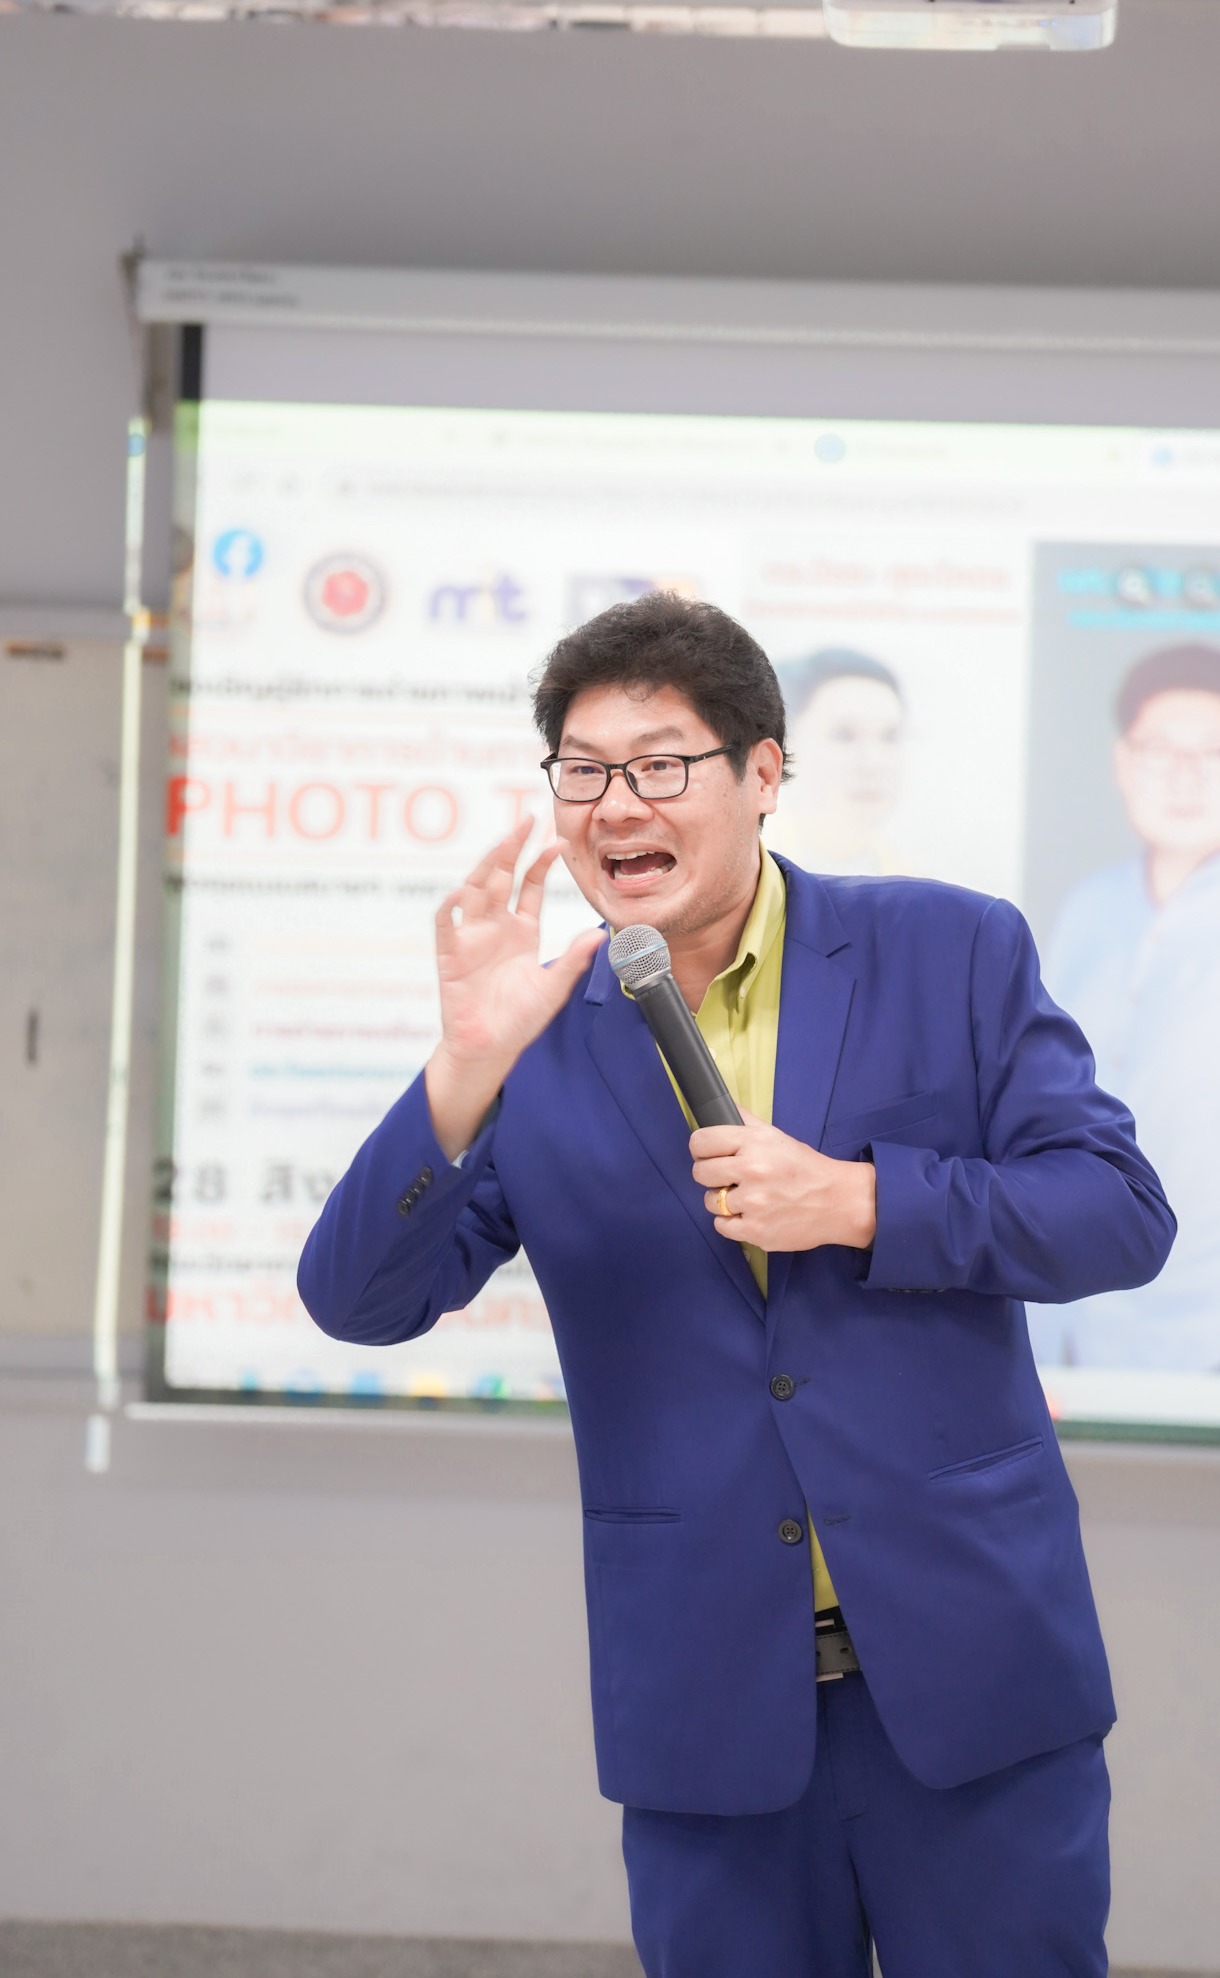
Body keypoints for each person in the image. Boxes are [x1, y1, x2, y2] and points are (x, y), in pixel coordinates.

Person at [298, 594, 1174, 1978]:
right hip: (707, 1702)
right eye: (582, 771)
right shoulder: (535, 1036)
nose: (615, 805)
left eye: (659, 764)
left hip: (972, 1670)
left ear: (764, 772)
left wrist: (863, 1200)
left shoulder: (945, 947)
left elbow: (1118, 1214)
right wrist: (463, 1064)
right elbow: (358, 1299)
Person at [1031, 644, 1220, 1376]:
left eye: (1216, 754)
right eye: (1159, 750)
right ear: (1121, 763)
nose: (1184, 776)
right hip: (1076, 1337)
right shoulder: (1088, 910)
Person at [769, 647, 908, 874]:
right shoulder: (743, 874)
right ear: (782, 749)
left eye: (889, 737)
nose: (872, 763)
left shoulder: (922, 883)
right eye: (844, 736)